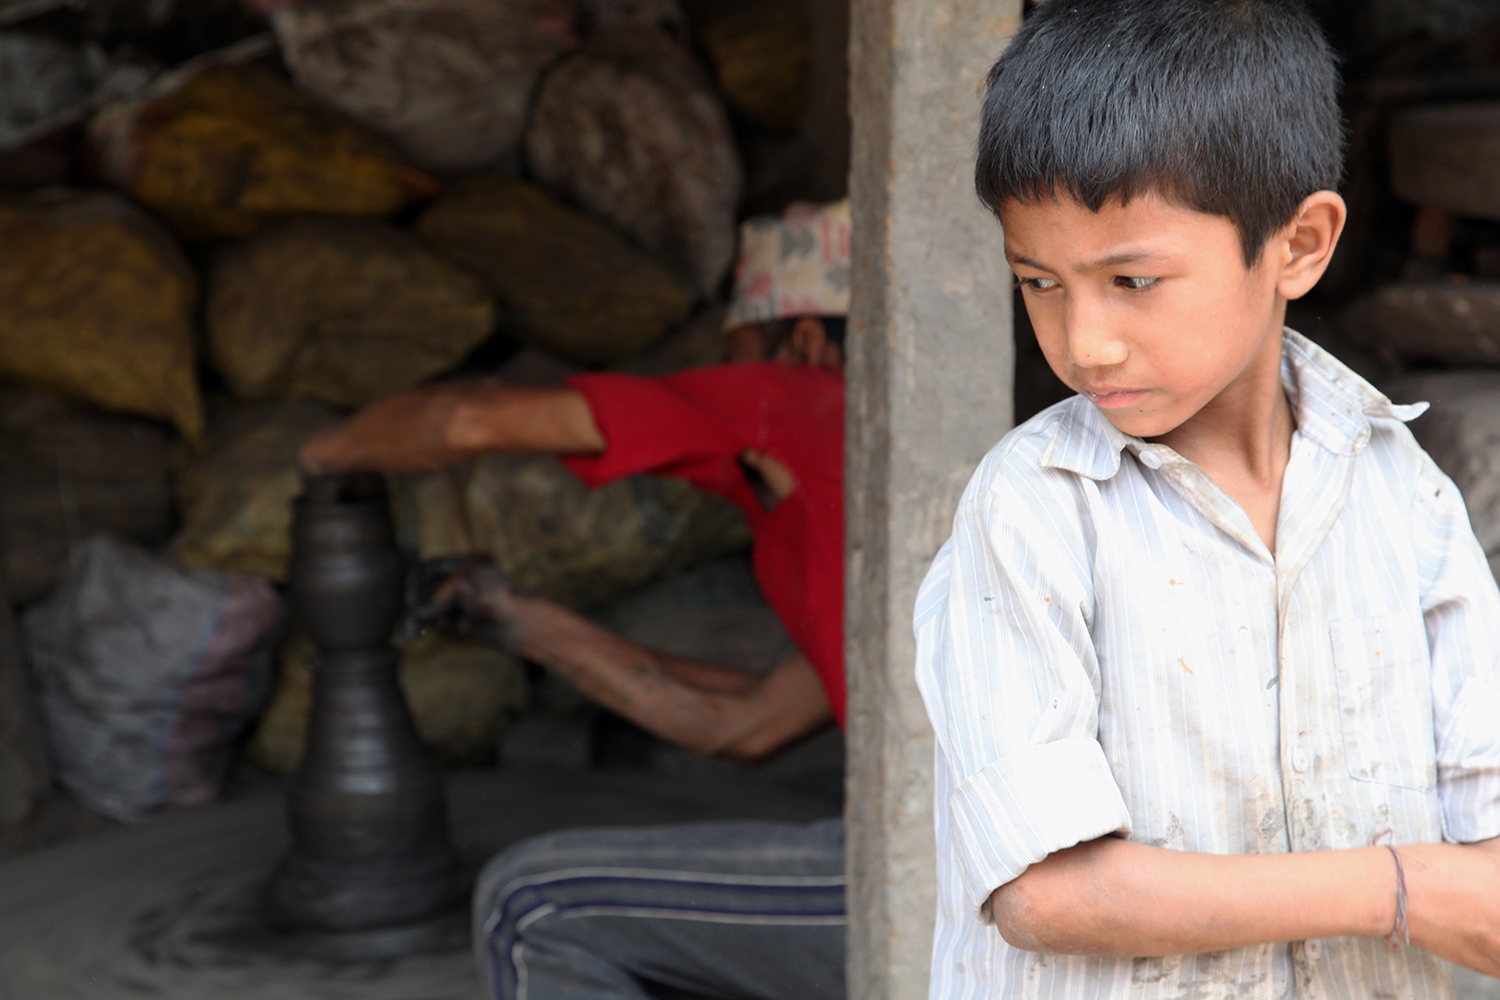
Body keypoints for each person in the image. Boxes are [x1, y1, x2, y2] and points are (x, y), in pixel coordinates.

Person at [914, 2, 1500, 998]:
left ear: (1299, 246)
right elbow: (1048, 892)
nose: (1083, 340)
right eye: (1040, 282)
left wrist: (1447, 885)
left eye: (1132, 280)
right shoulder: (1035, 509)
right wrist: (1396, 885)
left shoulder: (1402, 493)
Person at [300, 200, 853, 1000]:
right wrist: (517, 617)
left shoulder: (800, 399)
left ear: (803, 340)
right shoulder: (866, 508)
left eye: (734, 354)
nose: (723, 378)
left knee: (530, 908)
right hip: (999, 861)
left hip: (969, 884)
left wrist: (324, 461)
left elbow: (462, 422)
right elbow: (747, 725)